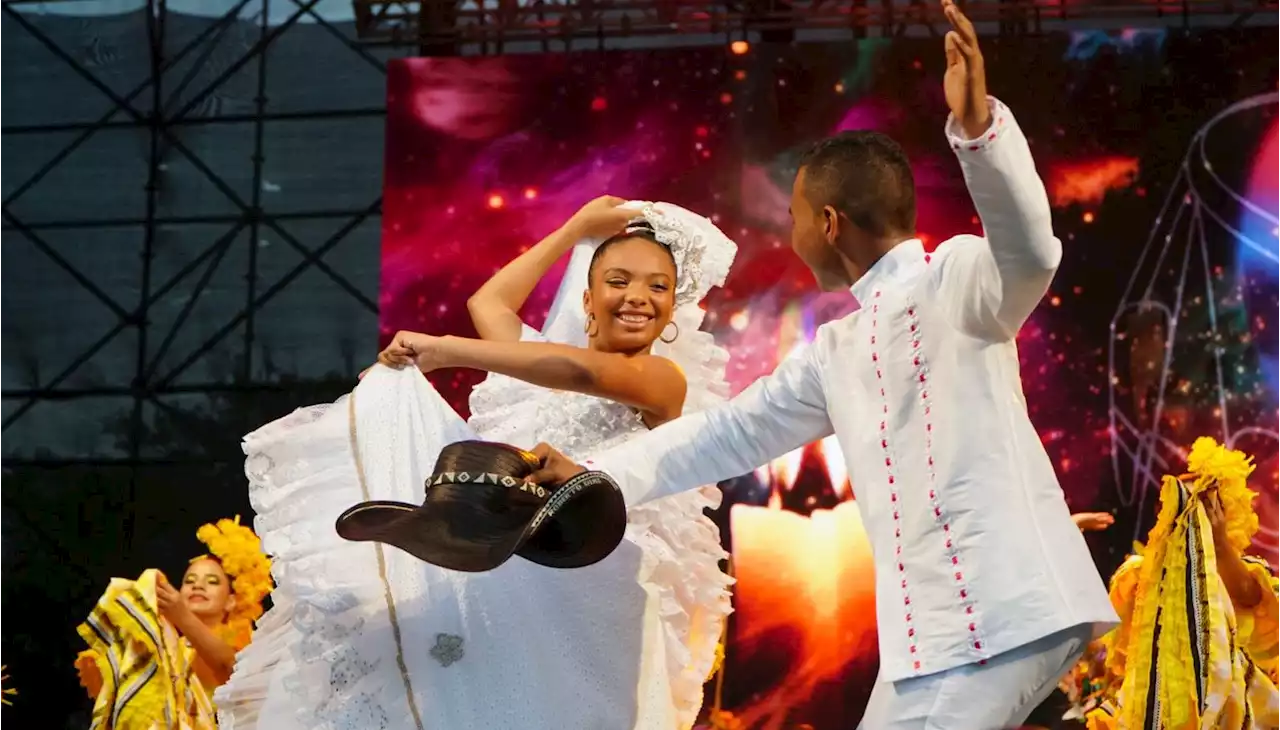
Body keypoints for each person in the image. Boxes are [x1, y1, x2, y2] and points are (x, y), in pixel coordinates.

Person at [529, 3, 1118, 727]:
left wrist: (978, 135)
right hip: (936, 638)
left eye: (799, 216)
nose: (794, 231)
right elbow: (724, 435)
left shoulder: (956, 278)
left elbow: (1031, 251)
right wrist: (597, 475)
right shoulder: (838, 351)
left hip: (1003, 610)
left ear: (830, 223)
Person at [214, 198, 738, 730]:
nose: (638, 299)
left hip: (587, 584)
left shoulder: (662, 380)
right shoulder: (537, 365)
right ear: (588, 296)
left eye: (658, 287)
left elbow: (583, 373)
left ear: (674, 309)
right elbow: (489, 303)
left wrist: (446, 349)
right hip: (496, 574)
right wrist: (573, 229)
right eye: (619, 280)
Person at [1076, 437, 1280, 729]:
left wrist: (1219, 542)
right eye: (1188, 493)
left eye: (1207, 497)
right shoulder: (1138, 574)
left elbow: (1252, 599)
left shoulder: (1235, 571)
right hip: (1154, 700)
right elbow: (1118, 647)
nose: (1195, 504)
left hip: (1225, 704)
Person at [74, 517, 272, 729]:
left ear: (232, 600)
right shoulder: (166, 650)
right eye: (189, 581)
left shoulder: (250, 649)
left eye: (212, 581)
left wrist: (181, 615)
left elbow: (231, 669)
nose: (198, 586)